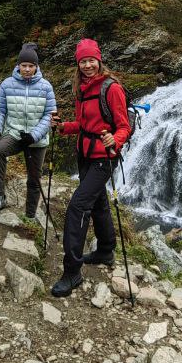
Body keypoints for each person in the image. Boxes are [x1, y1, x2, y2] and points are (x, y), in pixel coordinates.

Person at [50, 37, 131, 298]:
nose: (87, 65)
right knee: (98, 203)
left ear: (99, 60)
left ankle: (72, 271)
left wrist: (114, 140)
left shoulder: (112, 88)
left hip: (103, 158)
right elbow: (84, 125)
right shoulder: (81, 88)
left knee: (77, 207)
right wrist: (64, 128)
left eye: (91, 60)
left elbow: (124, 127)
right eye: (83, 61)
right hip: (84, 154)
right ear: (78, 63)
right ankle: (106, 250)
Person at [0, 43, 56, 222]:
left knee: (34, 178)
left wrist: (33, 135)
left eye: (31, 66)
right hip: (14, 133)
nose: (27, 69)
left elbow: (50, 115)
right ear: (18, 65)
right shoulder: (7, 84)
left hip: (36, 139)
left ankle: (30, 215)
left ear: (36, 67)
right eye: (24, 65)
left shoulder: (46, 87)